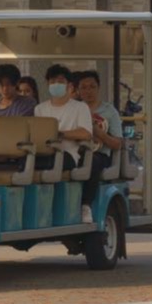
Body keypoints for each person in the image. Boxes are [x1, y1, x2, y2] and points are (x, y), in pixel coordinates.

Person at [34, 64, 95, 223]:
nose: (56, 85)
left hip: (68, 155)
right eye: (52, 81)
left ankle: (82, 206)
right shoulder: (40, 109)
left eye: (60, 81)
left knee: (49, 162)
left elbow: (86, 133)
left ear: (70, 86)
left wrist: (61, 134)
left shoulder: (80, 108)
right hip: (43, 152)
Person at [76, 71, 123, 200]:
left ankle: (86, 204)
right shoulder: (74, 109)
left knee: (92, 162)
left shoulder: (109, 111)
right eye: (83, 87)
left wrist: (99, 133)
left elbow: (118, 144)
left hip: (100, 155)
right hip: (76, 152)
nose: (88, 91)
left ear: (99, 88)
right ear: (78, 90)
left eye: (92, 87)